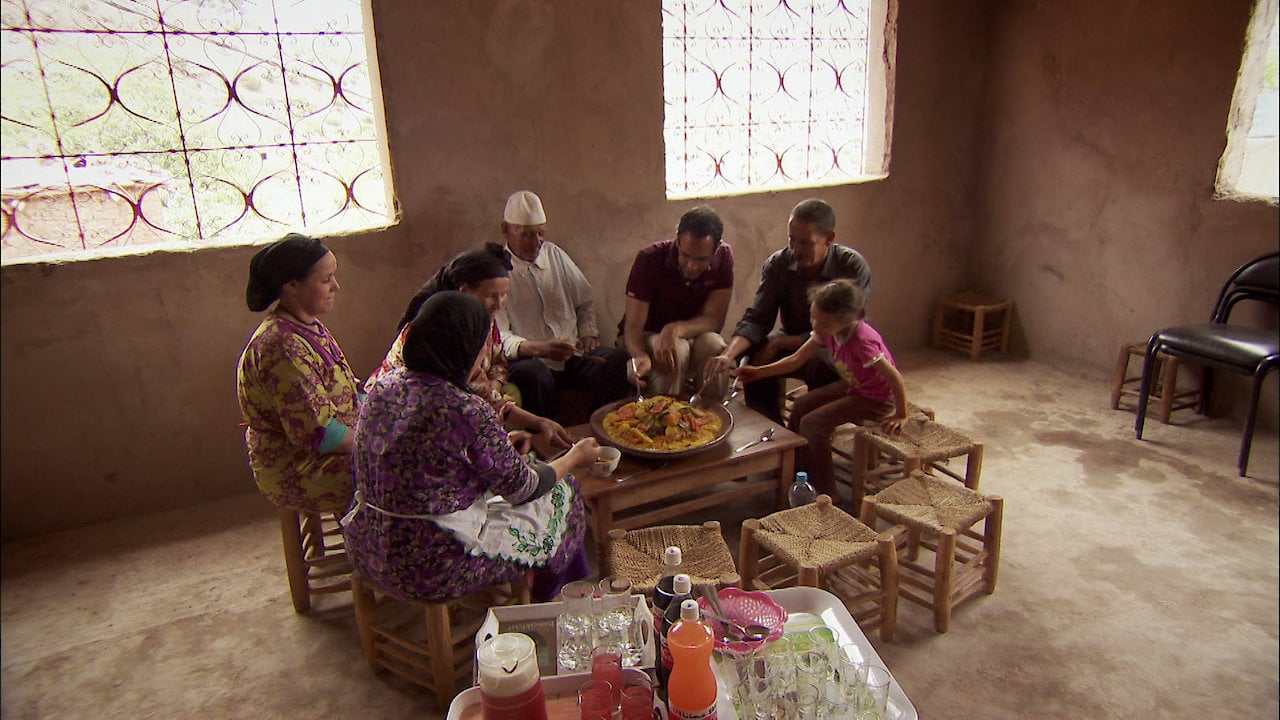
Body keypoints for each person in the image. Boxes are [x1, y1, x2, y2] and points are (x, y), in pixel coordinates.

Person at [343, 292, 602, 603]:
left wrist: (501, 446)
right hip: (434, 567)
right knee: (565, 491)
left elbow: (430, 460)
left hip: (367, 546)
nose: (485, 357)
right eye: (482, 348)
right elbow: (524, 488)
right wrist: (574, 456)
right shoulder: (463, 408)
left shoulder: (383, 387)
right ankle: (550, 599)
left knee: (532, 477)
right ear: (466, 349)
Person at [365, 243, 574, 451]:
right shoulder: (443, 333)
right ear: (464, 291)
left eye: (504, 294)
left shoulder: (483, 322)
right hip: (409, 425)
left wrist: (535, 419)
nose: (499, 303)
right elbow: (472, 399)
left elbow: (496, 364)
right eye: (491, 295)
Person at [704, 198, 872, 423]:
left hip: (836, 344)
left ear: (829, 238)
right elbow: (758, 318)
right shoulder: (779, 264)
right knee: (754, 358)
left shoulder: (851, 266)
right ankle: (770, 428)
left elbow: (840, 329)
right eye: (792, 240)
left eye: (806, 243)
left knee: (819, 361)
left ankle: (814, 430)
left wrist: (779, 343)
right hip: (792, 337)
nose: (796, 250)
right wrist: (727, 355)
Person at [735, 279, 906, 498]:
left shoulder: (863, 343)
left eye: (823, 323)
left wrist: (901, 414)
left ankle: (827, 494)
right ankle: (796, 469)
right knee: (801, 404)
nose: (816, 325)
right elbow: (796, 359)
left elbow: (895, 377)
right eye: (813, 317)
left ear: (847, 320)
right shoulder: (827, 330)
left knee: (812, 424)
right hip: (854, 385)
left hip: (876, 399)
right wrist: (759, 372)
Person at [236, 233, 359, 513]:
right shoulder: (282, 346)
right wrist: (374, 440)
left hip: (328, 449)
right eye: (325, 280)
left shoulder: (308, 327)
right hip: (300, 466)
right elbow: (320, 433)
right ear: (292, 285)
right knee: (399, 468)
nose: (336, 287)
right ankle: (385, 550)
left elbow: (346, 389)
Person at [496, 190, 632, 421]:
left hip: (572, 355)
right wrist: (537, 348)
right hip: (530, 360)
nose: (537, 241)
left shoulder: (554, 254)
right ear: (506, 230)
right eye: (528, 235)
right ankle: (548, 442)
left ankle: (598, 429)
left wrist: (589, 332)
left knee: (615, 360)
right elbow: (500, 335)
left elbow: (585, 298)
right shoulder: (498, 271)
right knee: (534, 374)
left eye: (541, 233)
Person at [622, 205, 733, 397]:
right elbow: (632, 328)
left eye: (701, 260)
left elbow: (714, 320)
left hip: (690, 334)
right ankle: (663, 419)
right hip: (647, 334)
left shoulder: (724, 257)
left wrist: (675, 329)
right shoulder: (649, 259)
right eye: (685, 256)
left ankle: (712, 418)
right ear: (677, 240)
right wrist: (639, 355)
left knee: (715, 345)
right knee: (675, 351)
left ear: (716, 249)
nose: (691, 266)